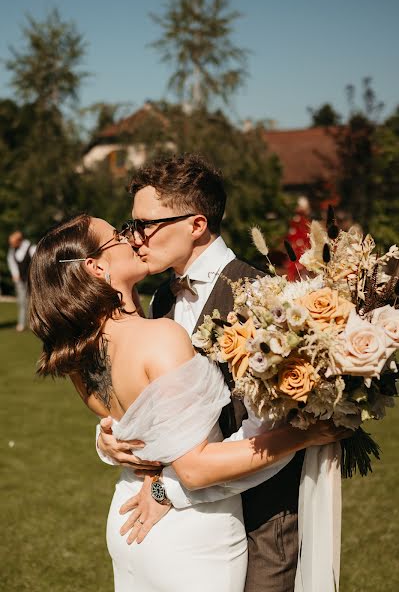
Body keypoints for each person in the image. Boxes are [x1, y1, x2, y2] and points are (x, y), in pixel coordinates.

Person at [28, 213, 346, 592]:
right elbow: (194, 469)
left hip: (128, 517)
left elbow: (127, 424)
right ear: (97, 267)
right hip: (189, 534)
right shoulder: (159, 335)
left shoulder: (79, 353)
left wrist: (106, 442)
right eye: (117, 235)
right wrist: (303, 434)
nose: (132, 239)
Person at [95, 155, 318, 591]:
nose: (134, 238)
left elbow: (269, 430)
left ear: (196, 224)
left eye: (146, 225)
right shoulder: (160, 300)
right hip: (185, 525)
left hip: (260, 519)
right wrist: (109, 438)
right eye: (130, 225)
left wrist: (169, 491)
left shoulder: (263, 298)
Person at [7, 230, 36, 331]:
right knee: (21, 302)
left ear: (19, 241)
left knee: (32, 301)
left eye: (13, 242)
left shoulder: (31, 248)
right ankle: (22, 323)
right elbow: (11, 262)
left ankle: (33, 322)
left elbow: (36, 263)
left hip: (31, 280)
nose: (11, 245)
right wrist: (15, 274)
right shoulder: (12, 250)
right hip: (20, 280)